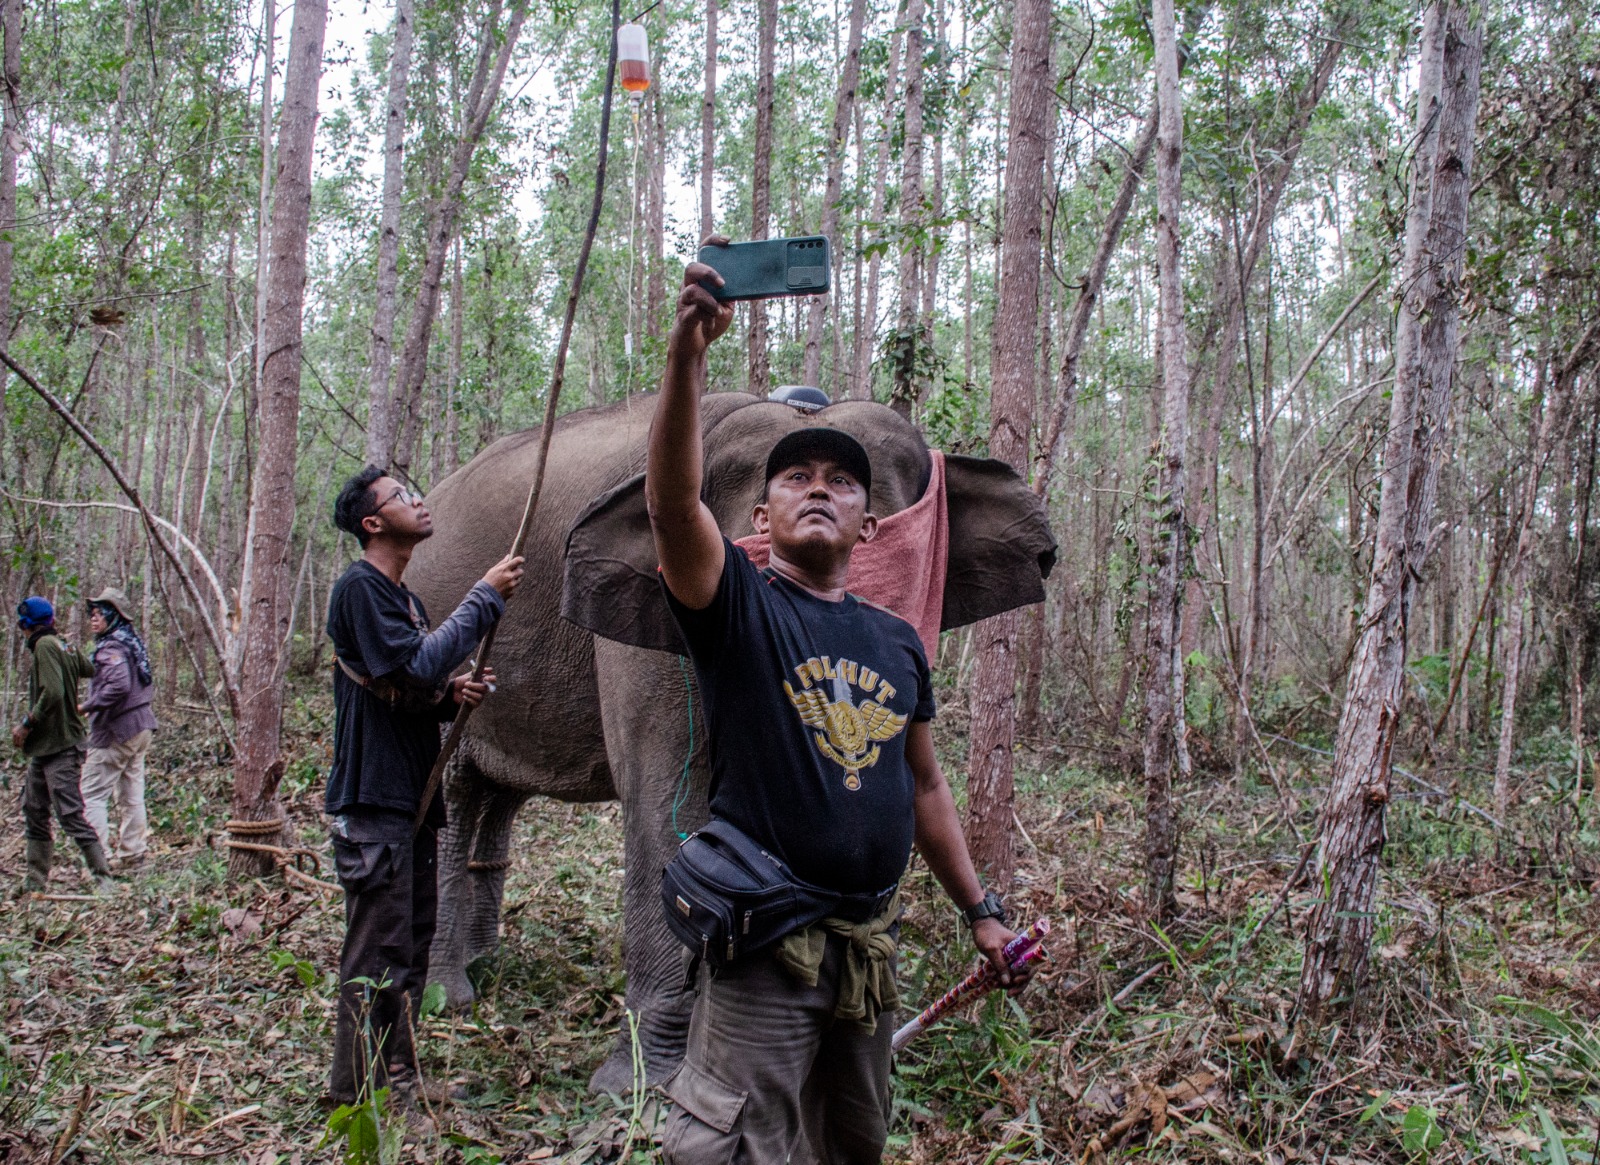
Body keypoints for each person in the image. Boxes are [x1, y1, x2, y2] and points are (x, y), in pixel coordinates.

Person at [648, 245, 1035, 1164]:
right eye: (795, 477)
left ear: (871, 525)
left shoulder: (898, 639)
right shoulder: (738, 605)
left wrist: (980, 910)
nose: (818, 485)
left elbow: (926, 787)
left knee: (852, 1145)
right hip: (766, 953)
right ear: (758, 519)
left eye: (841, 480)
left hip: (868, 954)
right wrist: (685, 360)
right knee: (735, 1148)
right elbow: (669, 508)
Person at [324, 466, 524, 1106]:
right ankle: (355, 1095)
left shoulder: (403, 599)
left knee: (408, 950)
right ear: (372, 522)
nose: (418, 499)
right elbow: (411, 663)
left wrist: (449, 696)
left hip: (411, 800)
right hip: (373, 802)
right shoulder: (359, 589)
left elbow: (407, 687)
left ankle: (402, 1082)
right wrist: (483, 597)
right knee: (374, 957)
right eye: (400, 496)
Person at [11, 596, 110, 894]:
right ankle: (35, 881)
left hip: (62, 745)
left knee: (69, 813)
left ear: (28, 625)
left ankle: (103, 878)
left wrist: (27, 723)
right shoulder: (61, 643)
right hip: (47, 747)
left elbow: (52, 692)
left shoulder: (43, 646)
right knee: (34, 807)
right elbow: (87, 668)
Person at [80, 587, 158, 871]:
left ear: (114, 616)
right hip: (141, 728)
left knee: (92, 794)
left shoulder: (112, 647)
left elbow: (120, 685)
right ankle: (133, 855)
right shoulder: (131, 643)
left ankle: (96, 862)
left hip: (117, 731)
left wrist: (87, 706)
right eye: (93, 613)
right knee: (131, 795)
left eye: (101, 613)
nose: (94, 618)